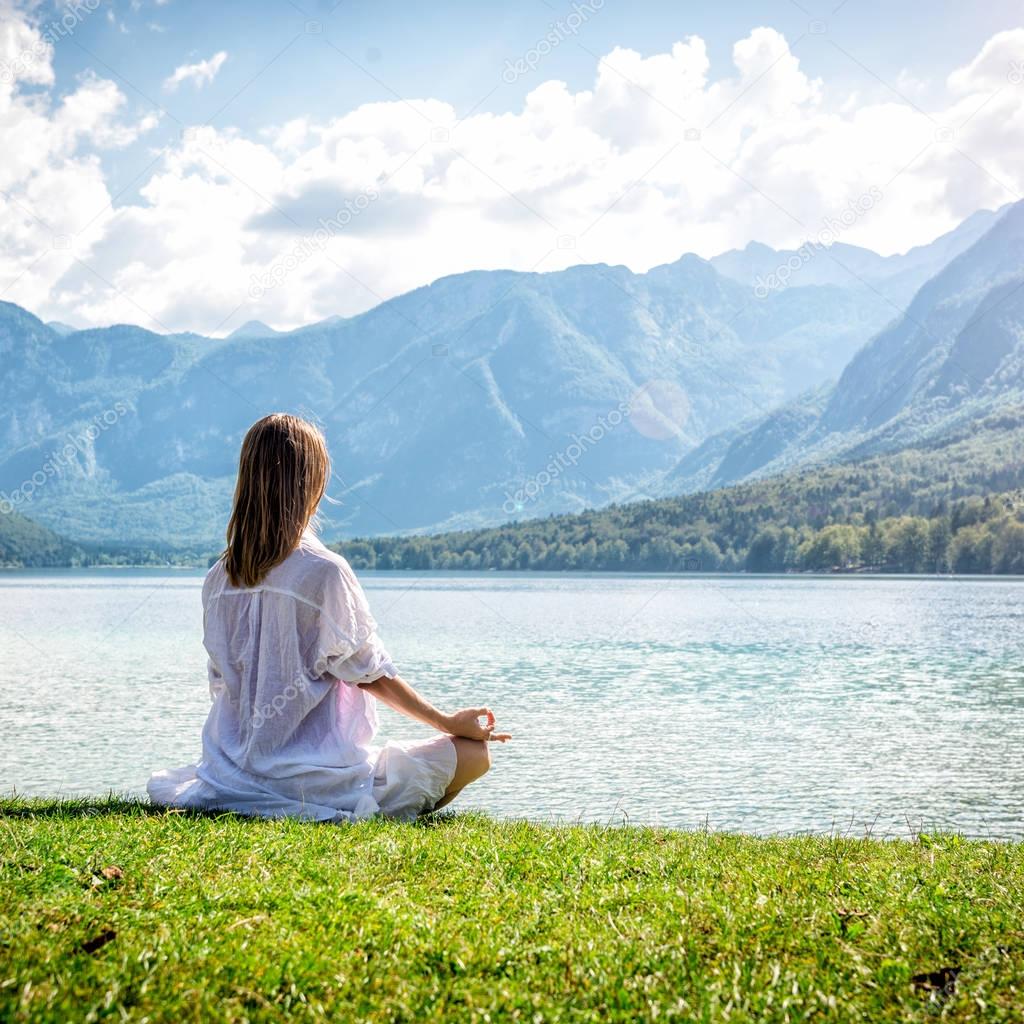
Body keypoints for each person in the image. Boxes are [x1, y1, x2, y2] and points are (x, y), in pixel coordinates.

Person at [147, 413, 510, 821]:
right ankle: (378, 812)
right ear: (313, 483)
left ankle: (300, 792)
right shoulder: (324, 570)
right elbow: (371, 674)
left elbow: (221, 684)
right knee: (474, 755)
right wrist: (447, 720)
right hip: (311, 781)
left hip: (228, 773)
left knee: (411, 759)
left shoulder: (219, 577)